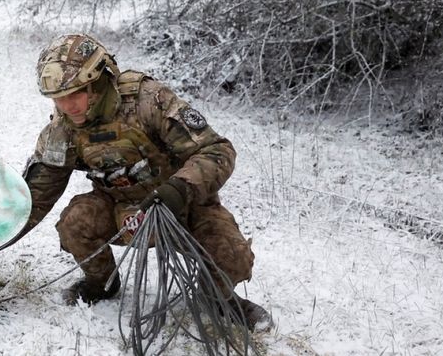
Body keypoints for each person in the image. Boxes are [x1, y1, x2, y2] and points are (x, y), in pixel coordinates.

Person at [18, 32, 272, 331]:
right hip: (120, 209)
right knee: (75, 222)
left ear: (98, 82)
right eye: (58, 99)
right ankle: (101, 284)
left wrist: (179, 189)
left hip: (182, 204)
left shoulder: (148, 101)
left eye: (75, 94)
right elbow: (36, 194)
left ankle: (220, 299)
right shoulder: (62, 129)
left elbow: (217, 150)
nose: (67, 106)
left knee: (232, 256)